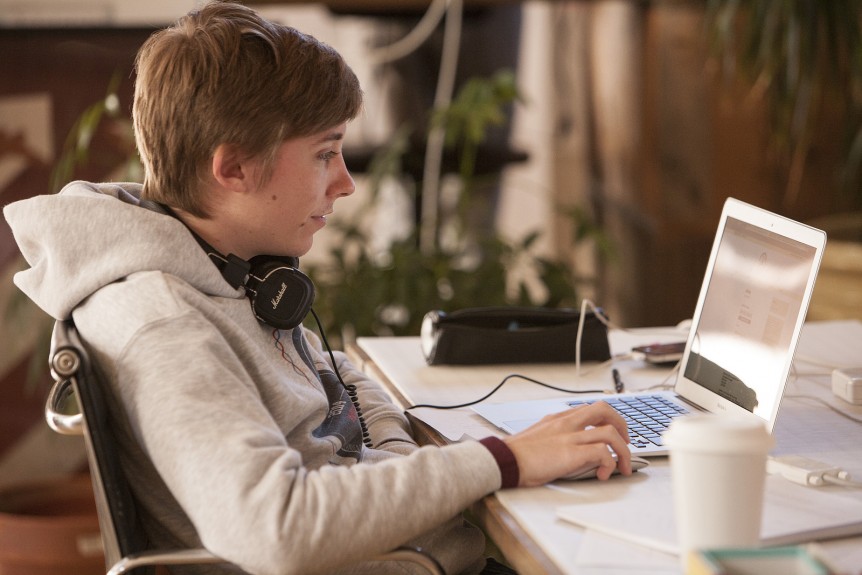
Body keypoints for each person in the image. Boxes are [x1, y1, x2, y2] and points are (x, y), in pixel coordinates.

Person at [3, 2, 632, 574]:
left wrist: (393, 452)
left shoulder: (225, 268)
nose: (346, 183)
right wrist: (502, 459)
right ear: (235, 168)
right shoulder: (164, 324)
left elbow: (337, 372)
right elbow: (276, 528)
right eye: (325, 154)